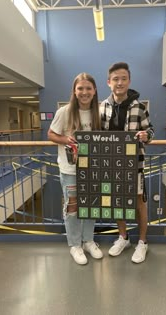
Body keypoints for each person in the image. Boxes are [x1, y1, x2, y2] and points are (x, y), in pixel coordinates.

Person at [100, 62, 154, 263]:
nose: (119, 82)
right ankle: (123, 237)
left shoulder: (139, 107)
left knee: (140, 202)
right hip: (111, 165)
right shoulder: (103, 107)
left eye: (123, 78)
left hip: (135, 164)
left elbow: (151, 131)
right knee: (117, 202)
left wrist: (145, 135)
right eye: (115, 79)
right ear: (108, 82)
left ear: (129, 81)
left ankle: (142, 242)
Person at [48, 73, 103, 265]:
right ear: (74, 90)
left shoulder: (100, 112)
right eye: (80, 88)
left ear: (94, 91)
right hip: (70, 169)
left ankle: (88, 240)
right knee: (73, 206)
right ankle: (74, 244)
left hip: (93, 169)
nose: (84, 92)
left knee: (92, 205)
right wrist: (65, 140)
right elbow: (51, 134)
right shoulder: (65, 111)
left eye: (88, 88)